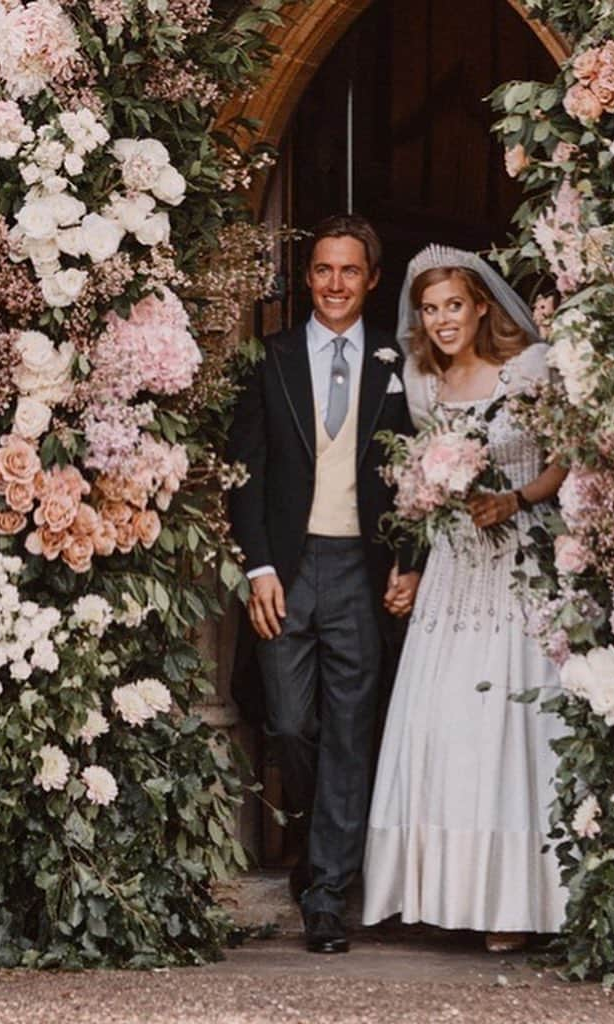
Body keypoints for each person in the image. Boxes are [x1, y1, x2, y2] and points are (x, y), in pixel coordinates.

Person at [362, 245, 568, 951]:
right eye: (430, 309)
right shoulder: (424, 383)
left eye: (454, 305)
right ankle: (441, 891)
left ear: (482, 305)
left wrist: (515, 497)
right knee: (446, 723)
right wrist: (408, 565)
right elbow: (421, 495)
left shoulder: (529, 370)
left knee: (511, 727)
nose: (443, 320)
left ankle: (516, 902)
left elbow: (564, 457)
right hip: (453, 570)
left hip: (519, 563)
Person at [228, 214, 420, 954]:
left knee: (349, 732)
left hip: (359, 571)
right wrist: (259, 567)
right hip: (289, 565)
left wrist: (407, 558)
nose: (335, 284)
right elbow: (244, 474)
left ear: (372, 279)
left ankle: (329, 894)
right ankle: (315, 846)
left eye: (350, 271)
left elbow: (416, 477)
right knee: (288, 724)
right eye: (322, 270)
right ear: (306, 278)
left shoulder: (396, 365)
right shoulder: (271, 359)